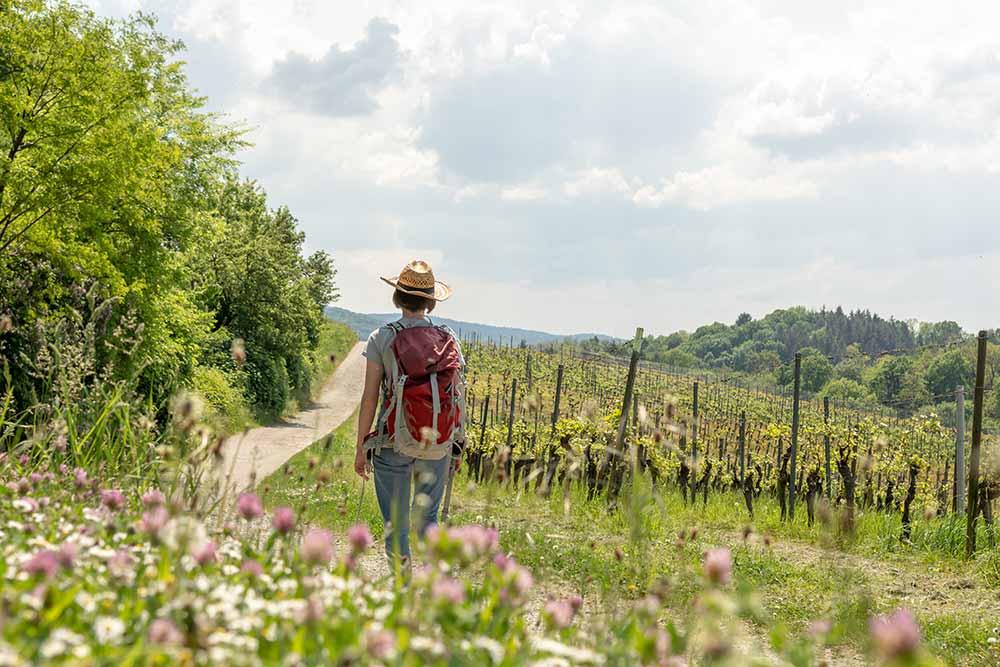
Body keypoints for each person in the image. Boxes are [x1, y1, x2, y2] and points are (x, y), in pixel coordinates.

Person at [354, 259, 466, 576]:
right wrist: (455, 442)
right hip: (439, 442)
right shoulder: (449, 339)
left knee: (396, 523)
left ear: (398, 297)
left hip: (393, 441)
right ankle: (435, 588)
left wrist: (362, 447)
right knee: (428, 519)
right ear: (431, 300)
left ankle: (402, 592)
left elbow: (370, 397)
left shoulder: (381, 338)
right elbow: (457, 394)